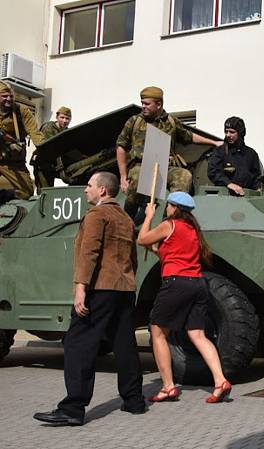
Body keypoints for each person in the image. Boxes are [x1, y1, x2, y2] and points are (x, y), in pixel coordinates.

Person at [33, 172, 145, 426]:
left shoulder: (97, 215)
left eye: (89, 185)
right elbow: (133, 258)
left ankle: (73, 408)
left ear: (103, 190)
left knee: (78, 343)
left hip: (100, 288)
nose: (85, 190)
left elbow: (89, 253)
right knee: (124, 343)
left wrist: (80, 288)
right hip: (124, 289)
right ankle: (134, 400)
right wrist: (128, 282)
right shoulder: (125, 218)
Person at [137, 191, 232, 403]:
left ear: (174, 207)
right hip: (197, 283)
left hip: (175, 283)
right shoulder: (192, 230)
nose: (167, 209)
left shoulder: (169, 225)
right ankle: (220, 380)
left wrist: (149, 216)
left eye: (168, 206)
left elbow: (141, 239)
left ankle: (168, 386)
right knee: (198, 334)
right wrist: (157, 251)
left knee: (158, 331)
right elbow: (175, 254)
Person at [116, 86, 221, 218]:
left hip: (165, 167)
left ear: (158, 104)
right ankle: (128, 217)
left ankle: (170, 218)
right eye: (142, 103)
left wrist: (213, 142)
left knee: (184, 176)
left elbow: (189, 136)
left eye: (147, 104)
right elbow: (121, 147)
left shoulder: (171, 122)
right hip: (140, 166)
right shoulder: (135, 121)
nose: (143, 106)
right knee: (138, 176)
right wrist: (123, 176)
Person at [0, 80, 44, 199]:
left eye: (11, 96)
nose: (9, 99)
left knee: (27, 192)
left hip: (13, 161)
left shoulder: (21, 111)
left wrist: (44, 148)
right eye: (4, 96)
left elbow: (35, 133)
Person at [207, 116, 262, 196]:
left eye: (232, 132)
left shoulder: (251, 154)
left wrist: (258, 190)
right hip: (225, 196)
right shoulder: (220, 152)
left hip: (246, 197)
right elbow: (213, 172)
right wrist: (229, 184)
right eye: (226, 132)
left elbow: (256, 178)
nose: (228, 135)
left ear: (240, 133)